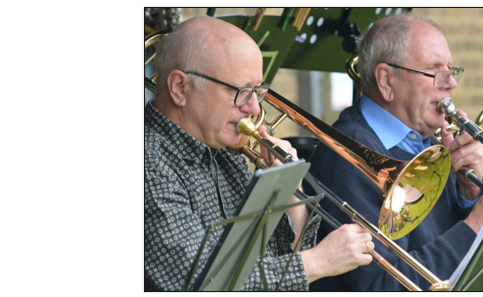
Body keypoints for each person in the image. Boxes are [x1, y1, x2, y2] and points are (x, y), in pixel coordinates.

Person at [144, 16, 373, 291]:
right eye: (241, 91)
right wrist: (318, 262)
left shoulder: (226, 154)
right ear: (181, 88)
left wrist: (291, 191)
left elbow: (274, 262)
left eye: (258, 91)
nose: (254, 108)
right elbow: (197, 282)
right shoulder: (147, 161)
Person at [307, 13, 483, 291]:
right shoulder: (350, 159)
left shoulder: (427, 140)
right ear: (386, 80)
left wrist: (469, 195)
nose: (451, 83)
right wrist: (476, 225)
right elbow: (385, 286)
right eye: (434, 70)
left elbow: (445, 253)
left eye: (451, 70)